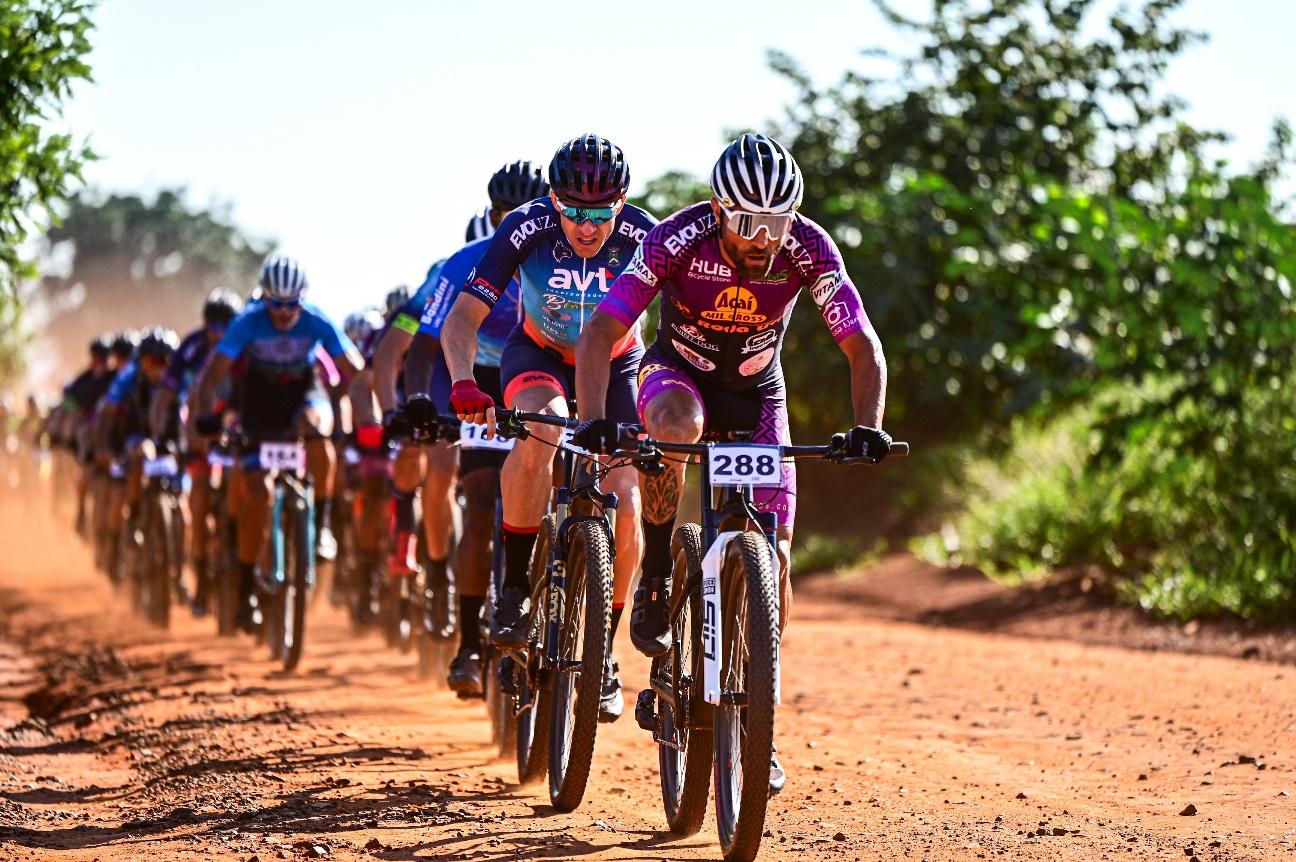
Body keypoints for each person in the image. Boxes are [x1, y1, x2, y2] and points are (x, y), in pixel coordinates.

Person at [573, 134, 892, 789]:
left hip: (756, 391)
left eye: (776, 223)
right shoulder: (675, 236)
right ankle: (659, 572)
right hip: (677, 375)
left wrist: (869, 428)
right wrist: (594, 420)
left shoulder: (810, 246)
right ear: (719, 209)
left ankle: (757, 719)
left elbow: (861, 344)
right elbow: (603, 329)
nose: (763, 238)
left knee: (773, 558)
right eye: (748, 222)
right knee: (677, 429)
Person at [441, 135, 657, 721]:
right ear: (551, 199)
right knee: (546, 429)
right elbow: (463, 318)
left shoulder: (645, 236)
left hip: (617, 366)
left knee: (628, 493)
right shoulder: (527, 227)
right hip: (537, 356)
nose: (586, 226)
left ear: (623, 200)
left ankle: (604, 653)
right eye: (572, 210)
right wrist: (464, 380)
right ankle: (513, 589)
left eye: (600, 212)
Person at [188, 256, 364, 632]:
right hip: (258, 402)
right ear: (263, 298)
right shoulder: (246, 322)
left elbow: (353, 368)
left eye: (291, 304)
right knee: (258, 494)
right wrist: (208, 417)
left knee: (316, 430)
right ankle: (248, 587)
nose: (284, 313)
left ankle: (324, 522)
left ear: (303, 298)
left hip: (302, 393)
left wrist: (356, 407)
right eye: (275, 304)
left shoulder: (318, 319)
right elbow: (212, 377)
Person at [150, 289, 244, 613]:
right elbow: (168, 396)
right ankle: (202, 582)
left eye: (225, 326)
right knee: (200, 501)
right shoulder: (190, 348)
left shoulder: (245, 346)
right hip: (198, 434)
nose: (217, 333)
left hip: (236, 430)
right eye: (212, 326)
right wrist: (161, 435)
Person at [93, 328, 181, 581]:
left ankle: (179, 568)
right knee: (142, 454)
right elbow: (107, 417)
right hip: (135, 438)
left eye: (165, 362)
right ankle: (132, 516)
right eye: (151, 362)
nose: (158, 369)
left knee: (184, 507)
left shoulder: (179, 380)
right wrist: (104, 450)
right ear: (141, 361)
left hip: (170, 441)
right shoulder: (127, 379)